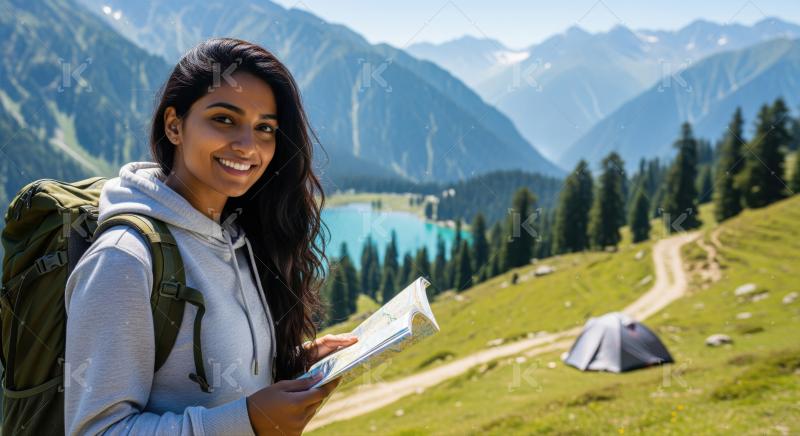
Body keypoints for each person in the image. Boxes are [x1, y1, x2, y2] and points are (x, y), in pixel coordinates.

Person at [64, 37, 356, 435]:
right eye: (224, 119)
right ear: (174, 125)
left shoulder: (238, 237)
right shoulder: (124, 259)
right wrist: (248, 420)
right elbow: (97, 430)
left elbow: (215, 387)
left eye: (265, 128)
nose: (248, 146)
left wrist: (290, 365)